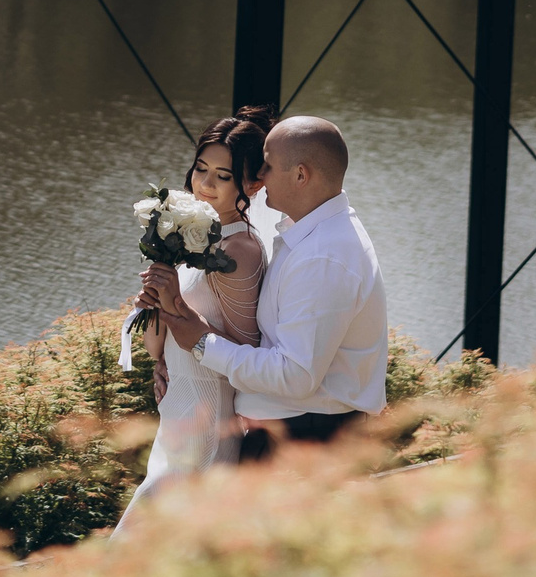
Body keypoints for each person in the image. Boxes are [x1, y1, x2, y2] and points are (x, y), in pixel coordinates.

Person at [142, 115, 385, 458]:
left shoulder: (323, 256)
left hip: (301, 438)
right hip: (292, 429)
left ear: (301, 175)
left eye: (267, 166)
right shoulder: (313, 235)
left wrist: (199, 344)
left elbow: (295, 376)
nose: (259, 176)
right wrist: (178, 361)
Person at [116, 108, 274, 521]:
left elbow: (246, 350)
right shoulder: (193, 240)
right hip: (177, 402)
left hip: (207, 408)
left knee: (153, 527)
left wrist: (175, 303)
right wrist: (154, 300)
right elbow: (158, 349)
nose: (204, 185)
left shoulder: (240, 250)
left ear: (253, 183)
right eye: (201, 169)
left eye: (223, 176)